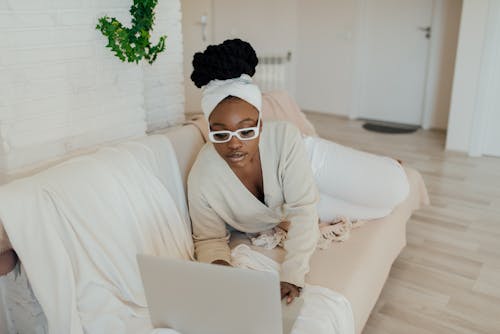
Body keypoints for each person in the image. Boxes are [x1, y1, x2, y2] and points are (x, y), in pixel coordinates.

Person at [187, 39, 409, 304]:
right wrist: (220, 272)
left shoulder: (284, 136)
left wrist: (293, 275)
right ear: (210, 129)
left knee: (397, 187)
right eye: (221, 133)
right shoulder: (203, 178)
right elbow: (210, 238)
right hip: (292, 199)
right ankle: (371, 170)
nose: (235, 143)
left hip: (308, 161)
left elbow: (303, 208)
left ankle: (385, 166)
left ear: (260, 124)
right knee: (381, 210)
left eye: (246, 131)